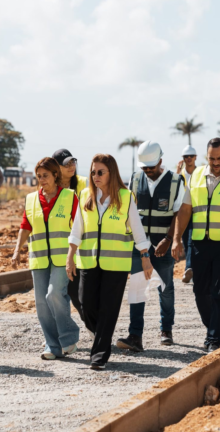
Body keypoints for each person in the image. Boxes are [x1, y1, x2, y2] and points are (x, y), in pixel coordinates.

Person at [67, 154, 153, 370]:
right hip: (88, 262)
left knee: (109, 308)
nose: (95, 176)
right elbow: (77, 228)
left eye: (100, 172)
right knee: (85, 303)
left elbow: (137, 229)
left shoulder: (125, 197)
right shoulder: (85, 195)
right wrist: (70, 256)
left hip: (116, 265)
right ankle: (103, 334)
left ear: (111, 173)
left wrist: (145, 256)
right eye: (93, 172)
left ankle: (99, 355)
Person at [171, 138, 220, 352]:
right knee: (200, 291)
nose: (215, 163)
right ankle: (212, 327)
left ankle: (214, 338)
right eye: (211, 159)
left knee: (219, 291)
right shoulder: (196, 175)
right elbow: (186, 209)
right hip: (199, 243)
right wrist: (177, 238)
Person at [117, 141, 184, 351]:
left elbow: (179, 213)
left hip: (162, 245)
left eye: (151, 167)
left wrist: (168, 239)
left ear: (160, 162)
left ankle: (166, 329)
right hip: (140, 246)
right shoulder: (136, 179)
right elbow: (129, 212)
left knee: (165, 288)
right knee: (137, 288)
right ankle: (135, 336)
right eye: (144, 167)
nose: (147, 171)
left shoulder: (175, 181)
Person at [12, 158, 79, 360]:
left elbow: (78, 226)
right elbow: (26, 225)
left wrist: (74, 255)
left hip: (62, 257)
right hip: (39, 257)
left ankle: (69, 337)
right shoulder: (31, 199)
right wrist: (17, 250)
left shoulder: (69, 196)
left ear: (55, 175)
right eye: (39, 176)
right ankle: (52, 345)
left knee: (54, 295)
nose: (41, 180)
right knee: (41, 303)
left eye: (45, 175)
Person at [52, 148, 87, 321]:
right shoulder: (51, 187)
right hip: (61, 248)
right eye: (66, 164)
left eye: (73, 162)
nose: (72, 166)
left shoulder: (84, 184)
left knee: (82, 292)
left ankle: (93, 327)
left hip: (84, 244)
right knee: (68, 292)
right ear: (56, 168)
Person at [176, 145, 198, 284]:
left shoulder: (201, 173)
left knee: (191, 241)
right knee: (186, 241)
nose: (188, 158)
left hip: (196, 212)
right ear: (183, 159)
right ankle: (191, 268)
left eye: (191, 156)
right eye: (186, 156)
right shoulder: (179, 176)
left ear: (195, 157)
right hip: (182, 213)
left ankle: (189, 267)